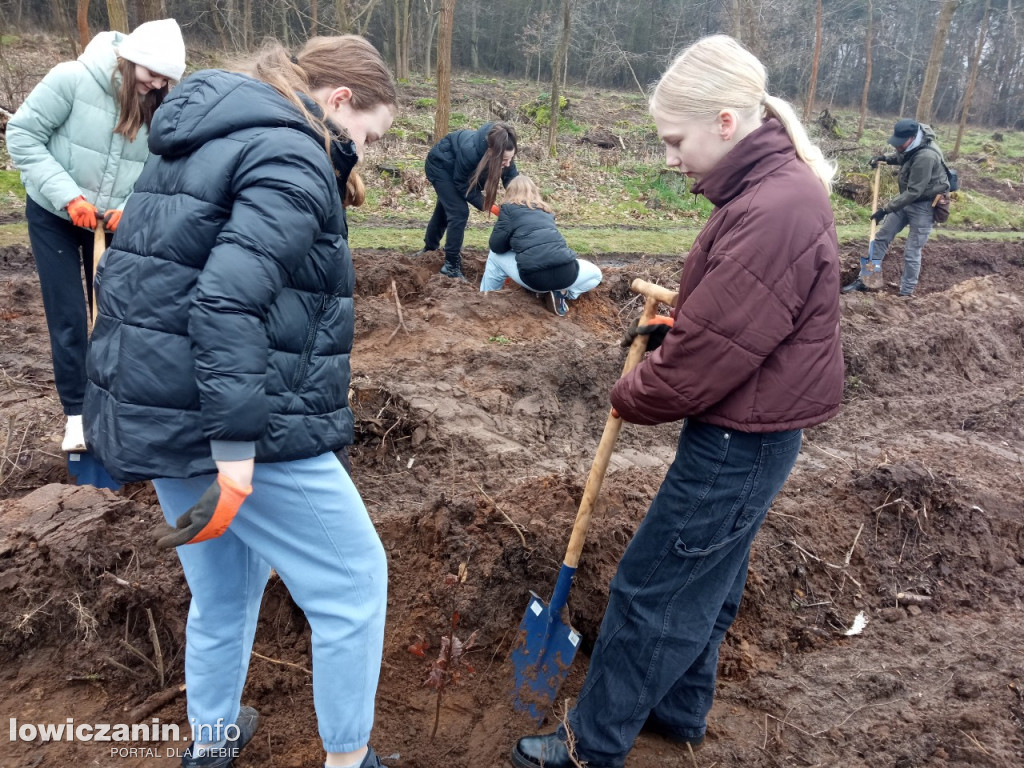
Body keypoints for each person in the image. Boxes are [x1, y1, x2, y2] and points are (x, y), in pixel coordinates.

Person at [511, 34, 843, 768]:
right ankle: (678, 712)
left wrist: (633, 389)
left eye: (674, 140)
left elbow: (707, 361)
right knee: (707, 586)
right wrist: (679, 325)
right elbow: (737, 320)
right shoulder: (771, 191)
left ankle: (589, 746)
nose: (669, 158)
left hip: (736, 439)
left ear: (725, 122)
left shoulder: (775, 208)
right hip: (755, 430)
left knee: (649, 591)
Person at [83, 35, 397, 768]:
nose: (362, 152)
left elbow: (153, 280)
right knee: (355, 582)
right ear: (339, 101)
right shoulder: (289, 154)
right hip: (234, 421)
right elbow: (225, 302)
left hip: (160, 406)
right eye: (367, 136)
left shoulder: (205, 133)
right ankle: (350, 761)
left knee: (224, 589)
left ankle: (212, 743)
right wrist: (235, 451)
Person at [7, 18, 186, 453]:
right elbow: (24, 136)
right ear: (130, 60)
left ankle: (116, 409)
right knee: (69, 315)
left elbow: (160, 166)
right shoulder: (71, 79)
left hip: (114, 222)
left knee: (117, 313)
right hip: (55, 215)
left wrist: (130, 205)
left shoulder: (161, 103)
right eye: (151, 73)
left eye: (166, 78)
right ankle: (77, 417)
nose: (157, 83)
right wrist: (68, 197)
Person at [841, 118, 950, 298]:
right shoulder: (912, 145)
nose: (898, 146)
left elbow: (914, 191)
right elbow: (904, 156)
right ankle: (865, 280)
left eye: (901, 143)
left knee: (912, 250)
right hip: (906, 200)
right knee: (881, 238)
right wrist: (885, 158)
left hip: (924, 205)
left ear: (912, 137)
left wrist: (885, 209)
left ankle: (906, 294)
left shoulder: (926, 156)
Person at [481, 175, 603, 316]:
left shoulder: (508, 210)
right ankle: (563, 293)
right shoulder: (547, 211)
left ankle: (486, 297)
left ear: (509, 192)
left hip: (536, 280)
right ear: (535, 192)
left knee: (494, 255)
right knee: (596, 274)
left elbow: (496, 246)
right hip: (567, 274)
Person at [414, 121, 519, 280]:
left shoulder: (502, 149)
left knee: (445, 209)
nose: (508, 163)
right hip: (441, 166)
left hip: (457, 170)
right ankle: (450, 266)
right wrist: (491, 207)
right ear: (491, 153)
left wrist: (522, 198)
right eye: (505, 160)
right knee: (458, 212)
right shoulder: (471, 151)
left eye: (511, 159)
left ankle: (429, 249)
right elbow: (462, 185)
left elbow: (511, 177)